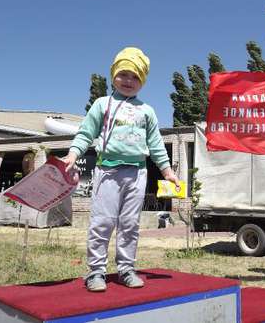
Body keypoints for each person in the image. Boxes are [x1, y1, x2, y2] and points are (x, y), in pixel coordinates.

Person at [62, 47, 180, 292]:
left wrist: (167, 171)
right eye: (123, 74)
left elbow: (156, 144)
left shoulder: (146, 111)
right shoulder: (102, 104)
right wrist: (73, 154)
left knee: (129, 224)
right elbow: (86, 133)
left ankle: (126, 268)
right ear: (113, 74)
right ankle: (96, 272)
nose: (128, 81)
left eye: (135, 76)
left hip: (137, 172)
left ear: (143, 81)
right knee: (102, 222)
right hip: (107, 171)